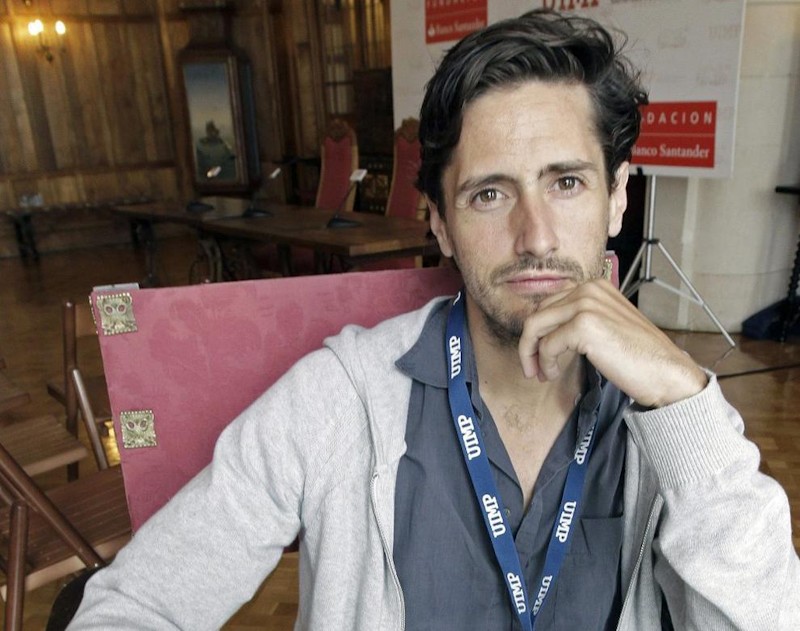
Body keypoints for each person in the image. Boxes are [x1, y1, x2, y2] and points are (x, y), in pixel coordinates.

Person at [70, 9, 799, 630]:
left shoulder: (675, 423)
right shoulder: (337, 401)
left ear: (617, 200)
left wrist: (684, 401)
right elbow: (132, 606)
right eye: (489, 194)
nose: (535, 237)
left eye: (567, 183)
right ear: (441, 224)